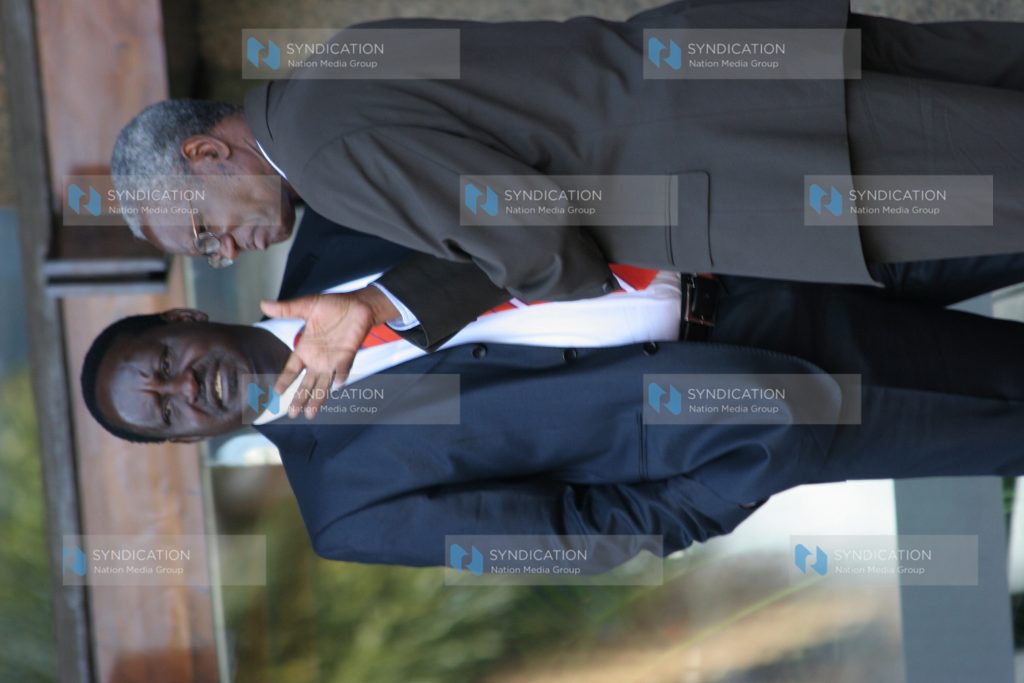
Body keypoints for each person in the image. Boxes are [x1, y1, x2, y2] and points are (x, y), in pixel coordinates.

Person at [110, 1, 1024, 411]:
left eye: (202, 226)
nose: (222, 251)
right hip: (757, 73)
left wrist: (378, 310)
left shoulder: (324, 152)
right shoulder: (330, 75)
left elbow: (546, 250)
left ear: (207, 151)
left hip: (772, 160)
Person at [80, 247, 1024, 567]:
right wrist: (750, 463)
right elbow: (580, 534)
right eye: (162, 410)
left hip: (758, 246)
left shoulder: (339, 220)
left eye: (160, 360)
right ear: (189, 438)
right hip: (766, 400)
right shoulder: (347, 505)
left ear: (185, 314)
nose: (178, 388)